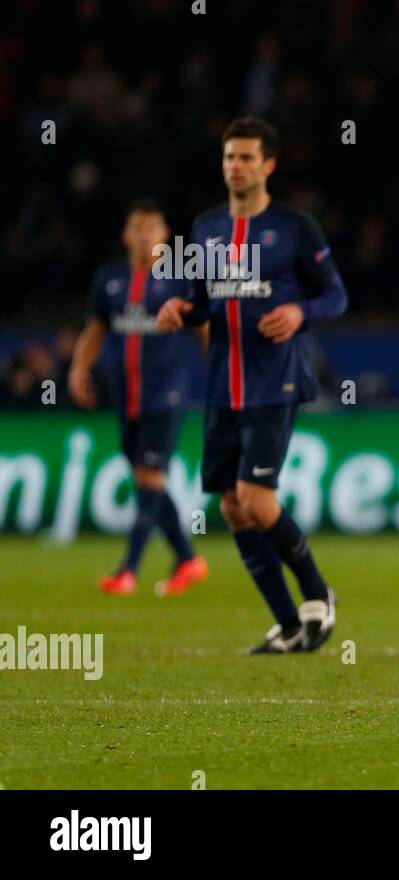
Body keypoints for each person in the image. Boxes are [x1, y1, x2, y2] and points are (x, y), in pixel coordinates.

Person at [157, 117, 348, 654]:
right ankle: (288, 625)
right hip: (222, 387)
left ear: (269, 165)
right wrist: (180, 308)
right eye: (228, 158)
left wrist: (298, 311)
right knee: (232, 508)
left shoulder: (294, 227)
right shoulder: (206, 228)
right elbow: (201, 301)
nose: (235, 167)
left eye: (245, 157)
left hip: (276, 382)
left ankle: (318, 594)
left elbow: (336, 297)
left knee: (255, 498)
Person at [69, 199, 209, 597]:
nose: (145, 235)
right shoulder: (110, 279)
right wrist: (79, 369)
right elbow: (95, 329)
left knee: (149, 476)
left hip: (166, 394)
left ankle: (128, 570)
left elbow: (203, 328)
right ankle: (187, 558)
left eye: (152, 228)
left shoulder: (180, 278)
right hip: (125, 396)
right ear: (126, 235)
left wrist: (219, 372)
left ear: (165, 236)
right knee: (148, 481)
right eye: (138, 228)